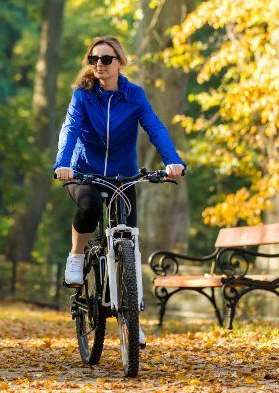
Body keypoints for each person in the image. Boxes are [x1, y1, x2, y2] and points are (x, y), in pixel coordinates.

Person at [53, 35, 186, 301]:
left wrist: (173, 161)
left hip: (122, 176)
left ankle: (130, 307)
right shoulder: (83, 96)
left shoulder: (134, 95)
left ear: (120, 62)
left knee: (129, 239)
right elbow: (70, 130)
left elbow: (155, 127)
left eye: (105, 59)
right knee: (89, 207)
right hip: (84, 173)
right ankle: (77, 255)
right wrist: (63, 164)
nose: (99, 64)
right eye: (93, 59)